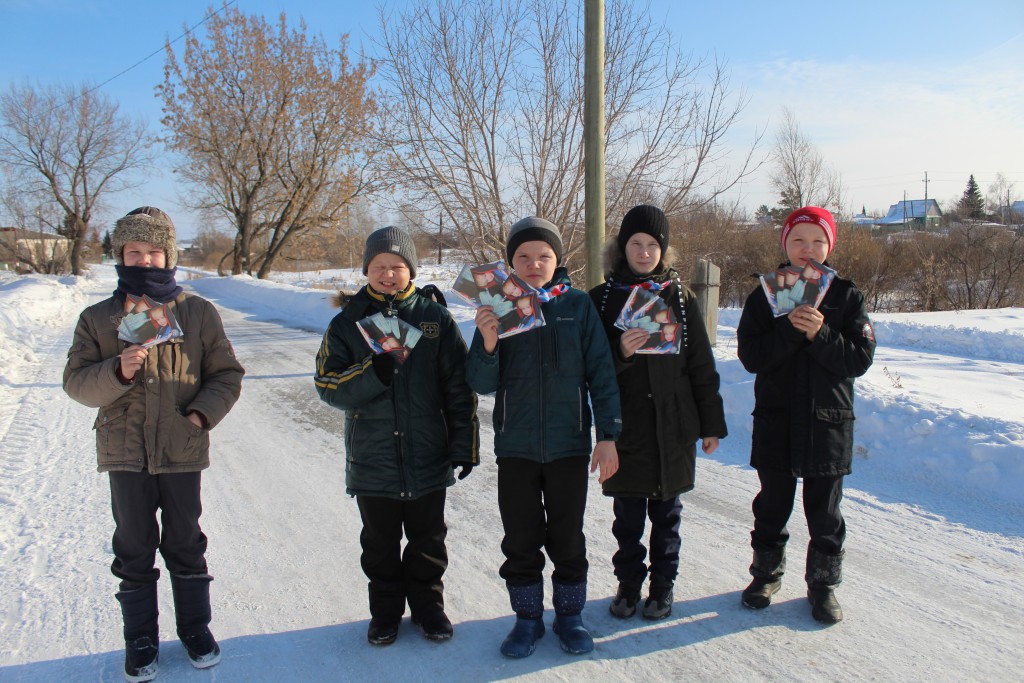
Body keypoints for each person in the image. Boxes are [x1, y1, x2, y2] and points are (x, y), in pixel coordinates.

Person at [63, 207, 245, 682]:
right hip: (124, 451)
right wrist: (117, 370)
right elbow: (76, 384)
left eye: (153, 251)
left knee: (186, 542)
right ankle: (140, 639)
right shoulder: (99, 318)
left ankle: (195, 629)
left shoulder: (197, 312)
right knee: (134, 546)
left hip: (181, 449)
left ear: (169, 256)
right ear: (120, 256)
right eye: (134, 252)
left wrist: (199, 416)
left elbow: (226, 375)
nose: (144, 260)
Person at [314, 226, 479, 647]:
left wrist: (464, 444)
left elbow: (458, 388)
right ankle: (385, 612)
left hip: (428, 455)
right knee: (380, 544)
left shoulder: (435, 319)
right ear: (366, 270)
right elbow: (327, 386)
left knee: (428, 541)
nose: (388, 274)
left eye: (397, 266)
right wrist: (373, 372)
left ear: (411, 270)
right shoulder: (347, 323)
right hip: (373, 459)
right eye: (379, 266)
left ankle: (428, 608)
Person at [465, 216, 621, 658]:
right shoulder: (500, 307)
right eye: (524, 256)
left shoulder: (578, 305)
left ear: (558, 260)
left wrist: (608, 435)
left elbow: (602, 373)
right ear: (510, 263)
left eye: (544, 256)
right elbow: (480, 383)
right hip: (515, 447)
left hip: (569, 444)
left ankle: (569, 616)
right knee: (520, 538)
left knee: (568, 537)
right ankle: (527, 619)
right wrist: (488, 341)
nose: (534, 264)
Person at [736, 206, 875, 624]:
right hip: (777, 420)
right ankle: (765, 575)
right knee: (771, 506)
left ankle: (823, 586)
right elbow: (751, 356)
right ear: (785, 244)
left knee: (825, 514)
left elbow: (859, 358)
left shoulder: (846, 296)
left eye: (818, 241)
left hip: (827, 422)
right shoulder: (766, 295)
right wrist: (788, 329)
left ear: (829, 246)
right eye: (798, 240)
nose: (807, 249)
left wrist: (820, 333)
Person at [588, 205, 727, 621]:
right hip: (625, 428)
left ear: (664, 250)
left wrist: (711, 424)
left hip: (673, 426)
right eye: (636, 243)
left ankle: (663, 587)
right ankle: (629, 585)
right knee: (627, 518)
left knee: (667, 517)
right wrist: (621, 351)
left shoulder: (680, 298)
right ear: (622, 247)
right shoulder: (603, 300)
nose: (644, 252)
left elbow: (701, 366)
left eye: (653, 244)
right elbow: (589, 369)